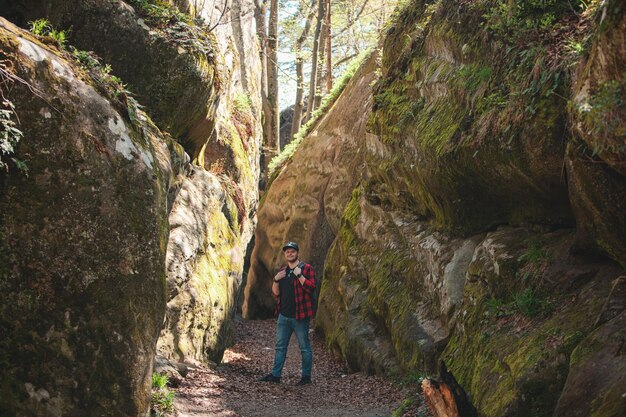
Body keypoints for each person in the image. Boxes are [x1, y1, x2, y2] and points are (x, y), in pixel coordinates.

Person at [258, 241, 316, 385]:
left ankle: (306, 378)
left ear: (297, 253)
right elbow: (276, 293)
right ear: (285, 254)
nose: (290, 253)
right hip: (283, 316)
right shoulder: (283, 271)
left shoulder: (306, 268)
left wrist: (300, 275)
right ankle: (276, 376)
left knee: (305, 348)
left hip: (300, 316)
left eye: (292, 251)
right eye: (287, 252)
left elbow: (312, 288)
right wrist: (276, 279)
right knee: (280, 347)